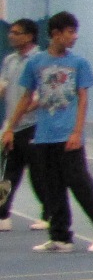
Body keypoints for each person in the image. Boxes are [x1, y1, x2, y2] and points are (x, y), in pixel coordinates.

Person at [1, 11, 93, 254]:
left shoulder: (78, 64)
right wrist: (10, 128)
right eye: (70, 32)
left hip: (68, 135)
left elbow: (83, 99)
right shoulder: (36, 63)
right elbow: (26, 98)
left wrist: (77, 131)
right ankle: (60, 236)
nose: (74, 37)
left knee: (79, 182)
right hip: (44, 134)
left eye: (75, 32)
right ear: (55, 34)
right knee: (52, 186)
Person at [0, 17, 46, 231]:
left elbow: (43, 94)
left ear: (29, 36)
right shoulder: (10, 60)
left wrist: (28, 108)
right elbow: (4, 87)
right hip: (12, 126)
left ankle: (49, 214)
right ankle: (3, 215)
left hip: (34, 126)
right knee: (8, 173)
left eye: (16, 33)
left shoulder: (39, 59)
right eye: (10, 32)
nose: (11, 36)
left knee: (39, 173)